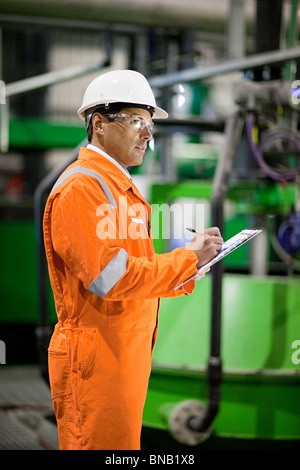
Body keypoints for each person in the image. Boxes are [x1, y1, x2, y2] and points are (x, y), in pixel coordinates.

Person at [43, 69, 223, 450]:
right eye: (136, 120)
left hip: (121, 358)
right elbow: (110, 278)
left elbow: (135, 274)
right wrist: (184, 259)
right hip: (96, 364)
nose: (148, 133)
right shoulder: (82, 188)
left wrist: (195, 264)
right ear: (98, 124)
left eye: (150, 123)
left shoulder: (118, 187)